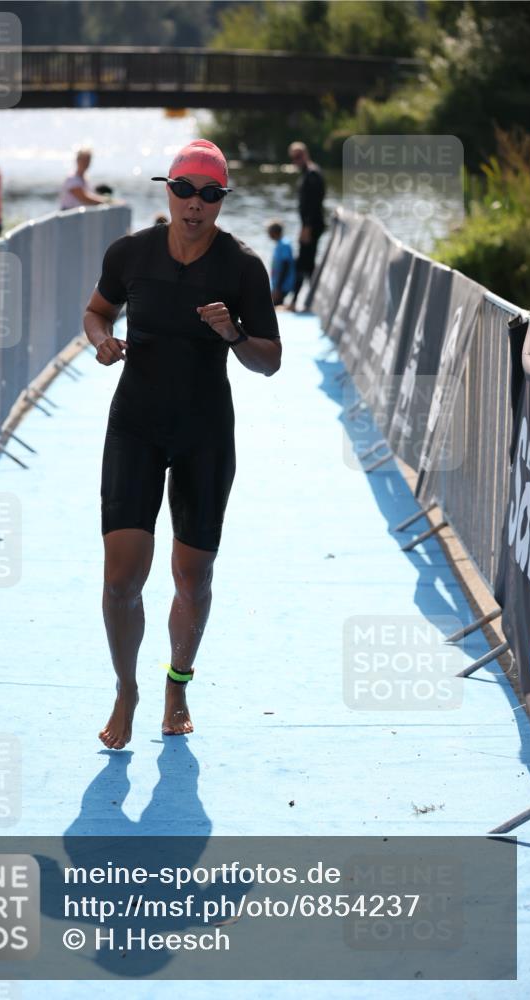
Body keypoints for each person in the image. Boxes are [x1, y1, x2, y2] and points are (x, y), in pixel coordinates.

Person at [83, 138, 282, 750]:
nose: (195, 205)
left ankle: (177, 682)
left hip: (203, 434)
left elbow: (270, 363)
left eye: (210, 194)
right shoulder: (130, 253)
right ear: (166, 191)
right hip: (135, 427)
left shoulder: (243, 267)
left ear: (222, 201)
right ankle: (126, 688)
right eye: (184, 190)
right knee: (121, 580)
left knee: (192, 577)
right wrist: (101, 340)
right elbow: (96, 311)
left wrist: (234, 333)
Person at [287, 141, 326, 311]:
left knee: (303, 264)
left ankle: (296, 302)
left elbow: (314, 205)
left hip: (312, 226)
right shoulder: (308, 173)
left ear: (305, 154)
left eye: (298, 156)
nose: (296, 160)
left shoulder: (312, 174)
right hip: (308, 225)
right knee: (308, 265)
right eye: (293, 158)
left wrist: (307, 229)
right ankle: (313, 302)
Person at [267, 220, 296, 306]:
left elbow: (285, 265)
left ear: (274, 232)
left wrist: (278, 288)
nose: (268, 234)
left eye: (269, 232)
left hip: (283, 285)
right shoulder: (280, 243)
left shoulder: (284, 244)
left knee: (274, 305)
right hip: (278, 285)